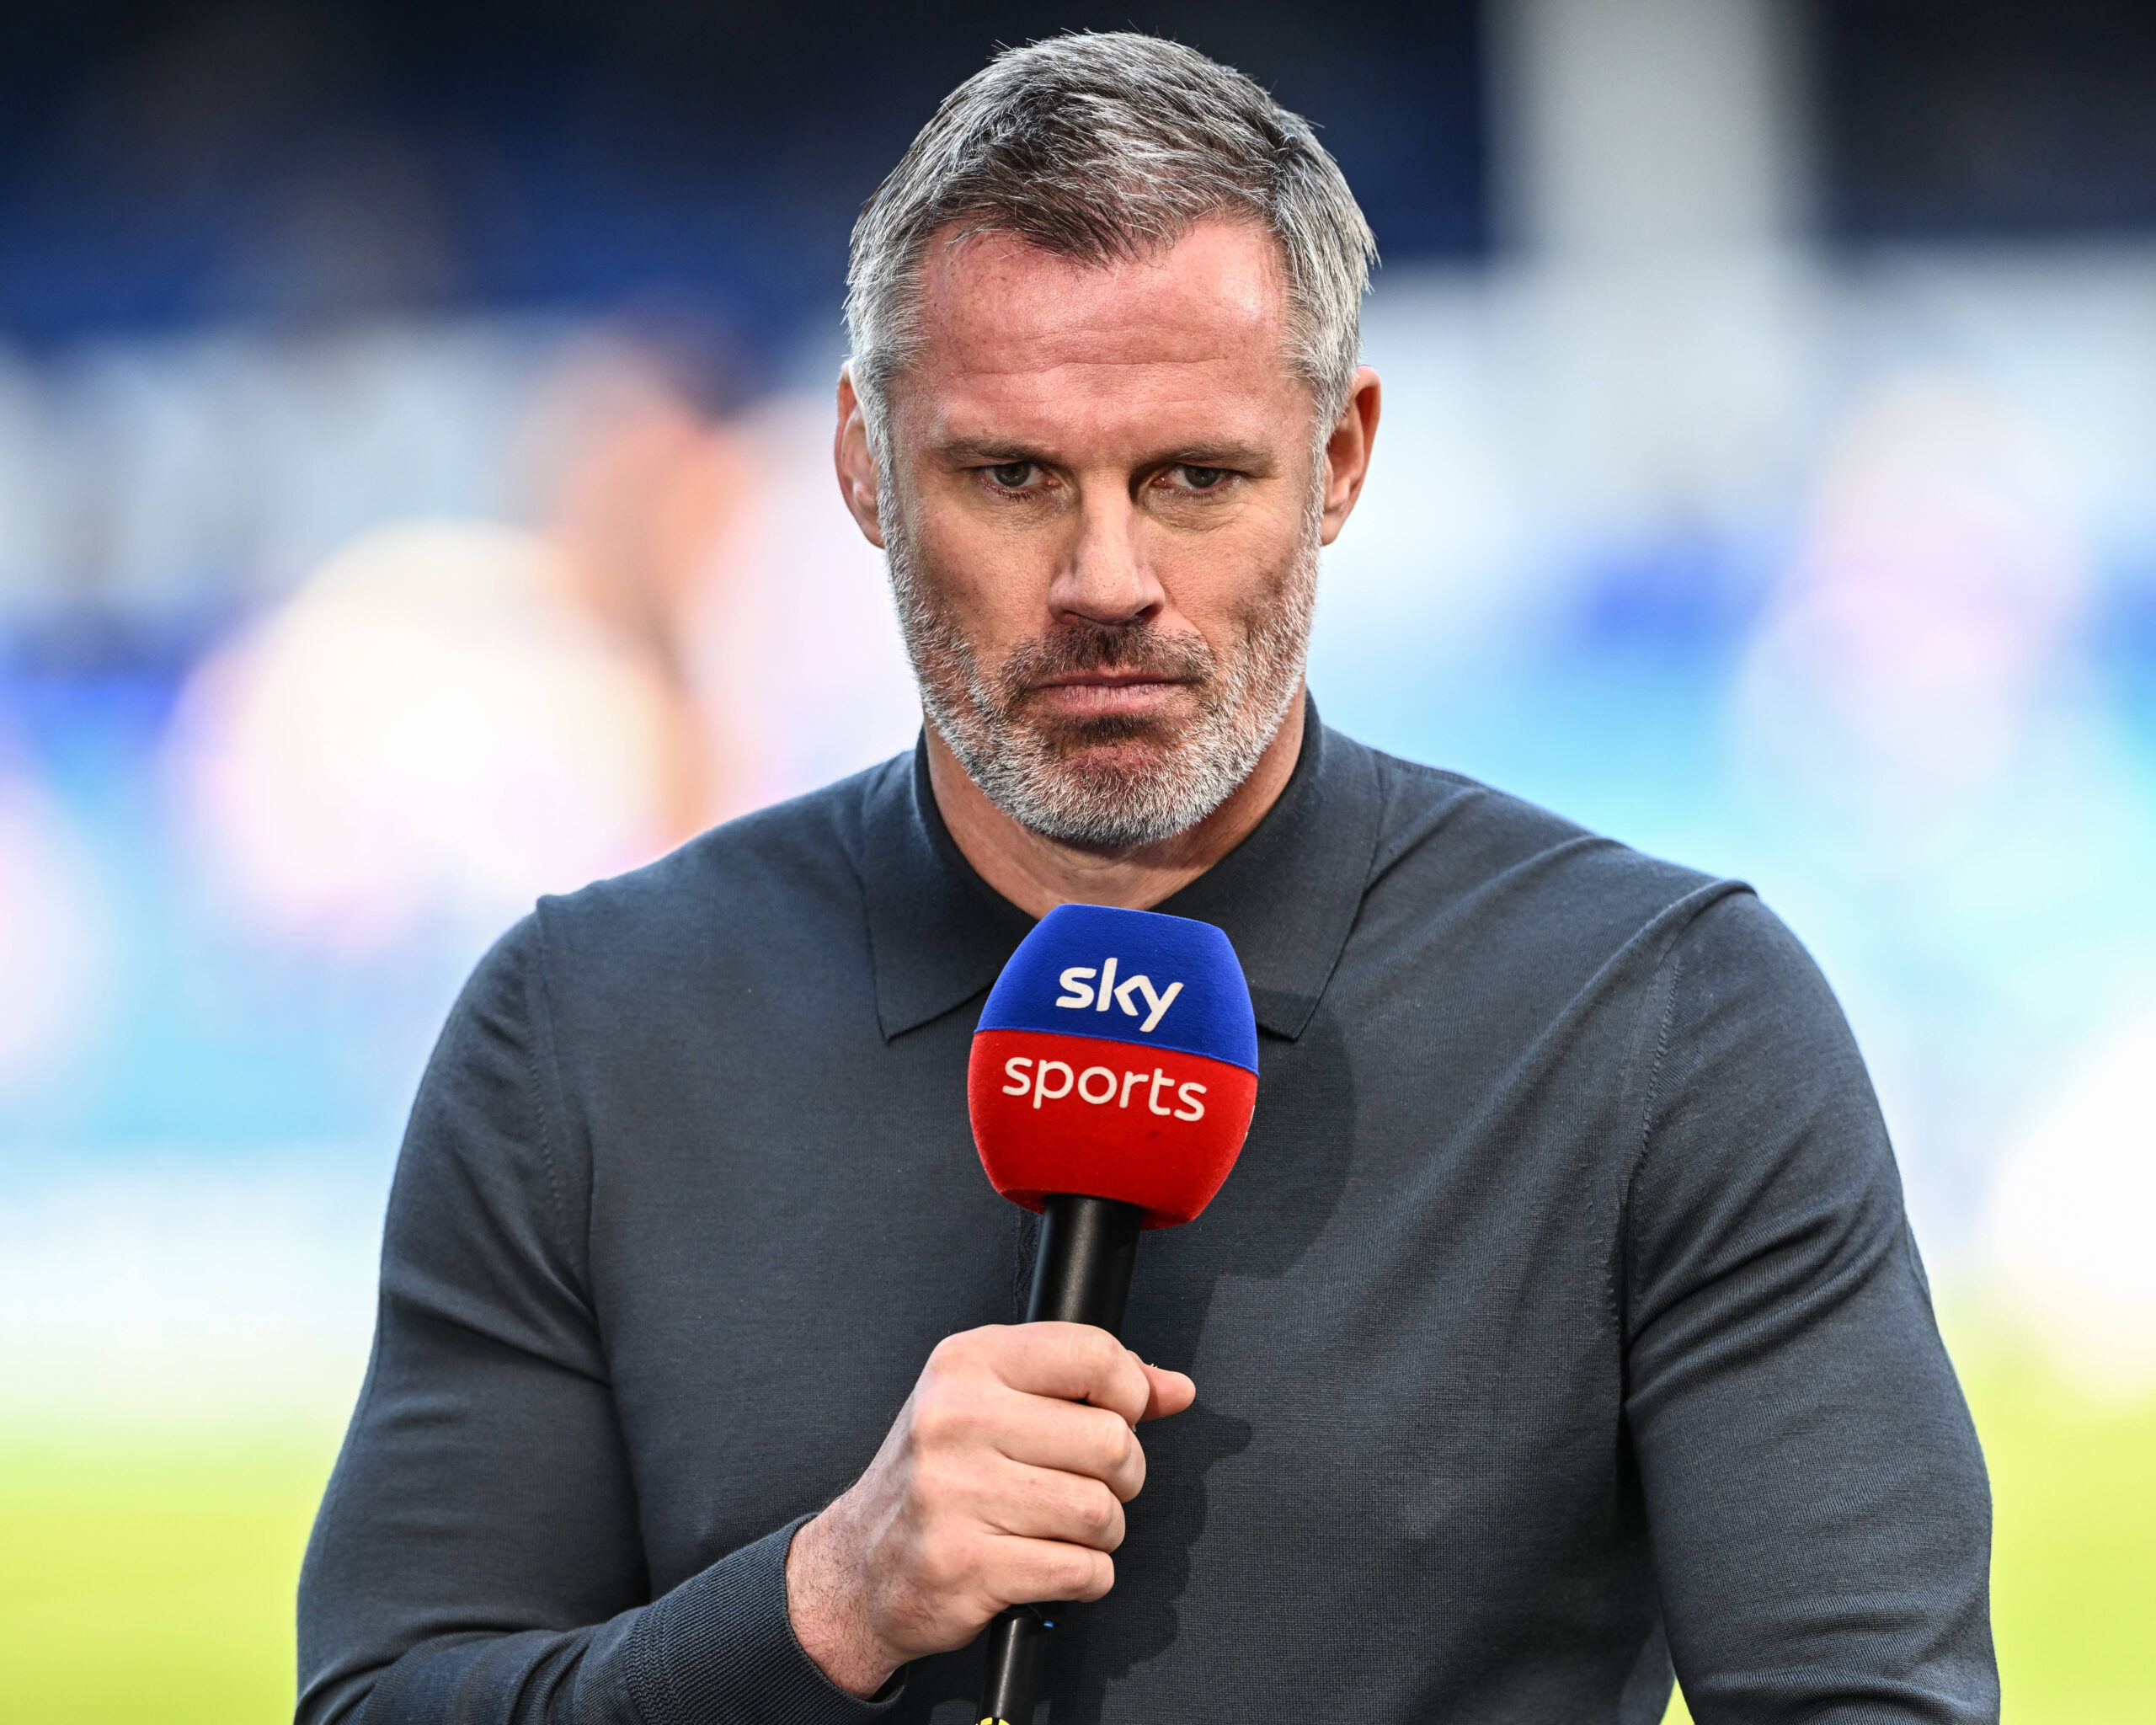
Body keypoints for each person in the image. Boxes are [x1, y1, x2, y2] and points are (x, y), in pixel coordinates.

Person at [297, 32, 1997, 1725]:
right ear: (862, 466)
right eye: (1012, 475)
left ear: (1337, 459)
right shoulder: (580, 1030)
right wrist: (822, 1601)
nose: (1106, 579)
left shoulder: (1664, 1019)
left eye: (1191, 476)